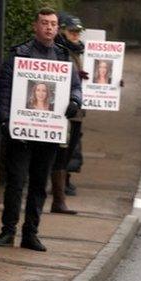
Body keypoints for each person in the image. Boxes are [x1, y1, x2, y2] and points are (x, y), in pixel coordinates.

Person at [0, 7, 82, 252]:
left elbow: (75, 87)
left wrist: (75, 102)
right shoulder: (19, 54)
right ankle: (7, 231)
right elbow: (4, 90)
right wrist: (4, 121)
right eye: (44, 23)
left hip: (49, 133)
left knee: (39, 184)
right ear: (35, 26)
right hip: (21, 132)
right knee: (16, 182)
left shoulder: (64, 58)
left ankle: (31, 233)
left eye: (53, 23)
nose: (49, 27)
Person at [52, 13, 88, 211]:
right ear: (63, 31)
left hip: (76, 110)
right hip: (64, 111)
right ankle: (59, 199)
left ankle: (62, 192)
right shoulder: (62, 51)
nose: (75, 35)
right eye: (72, 31)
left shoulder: (77, 51)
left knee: (69, 149)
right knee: (61, 151)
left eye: (78, 32)